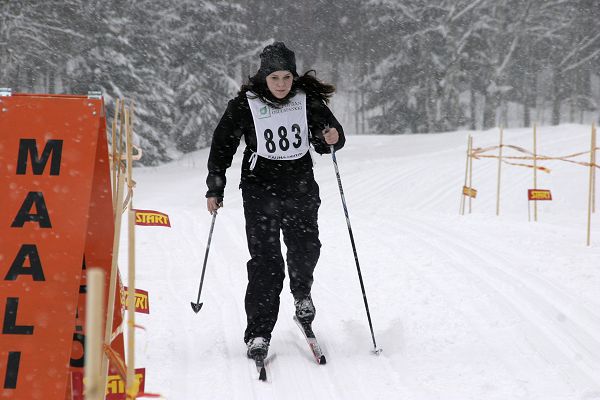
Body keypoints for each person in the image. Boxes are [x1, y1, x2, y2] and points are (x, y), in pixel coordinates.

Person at [205, 42, 345, 360]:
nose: (281, 84)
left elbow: (330, 135)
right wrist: (216, 184)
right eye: (274, 78)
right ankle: (258, 332)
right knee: (266, 263)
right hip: (259, 190)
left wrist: (331, 138)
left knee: (306, 247)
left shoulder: (305, 100)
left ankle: (302, 294)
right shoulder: (246, 103)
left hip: (300, 188)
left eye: (286, 77)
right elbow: (222, 142)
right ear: (263, 77)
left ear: (292, 77)